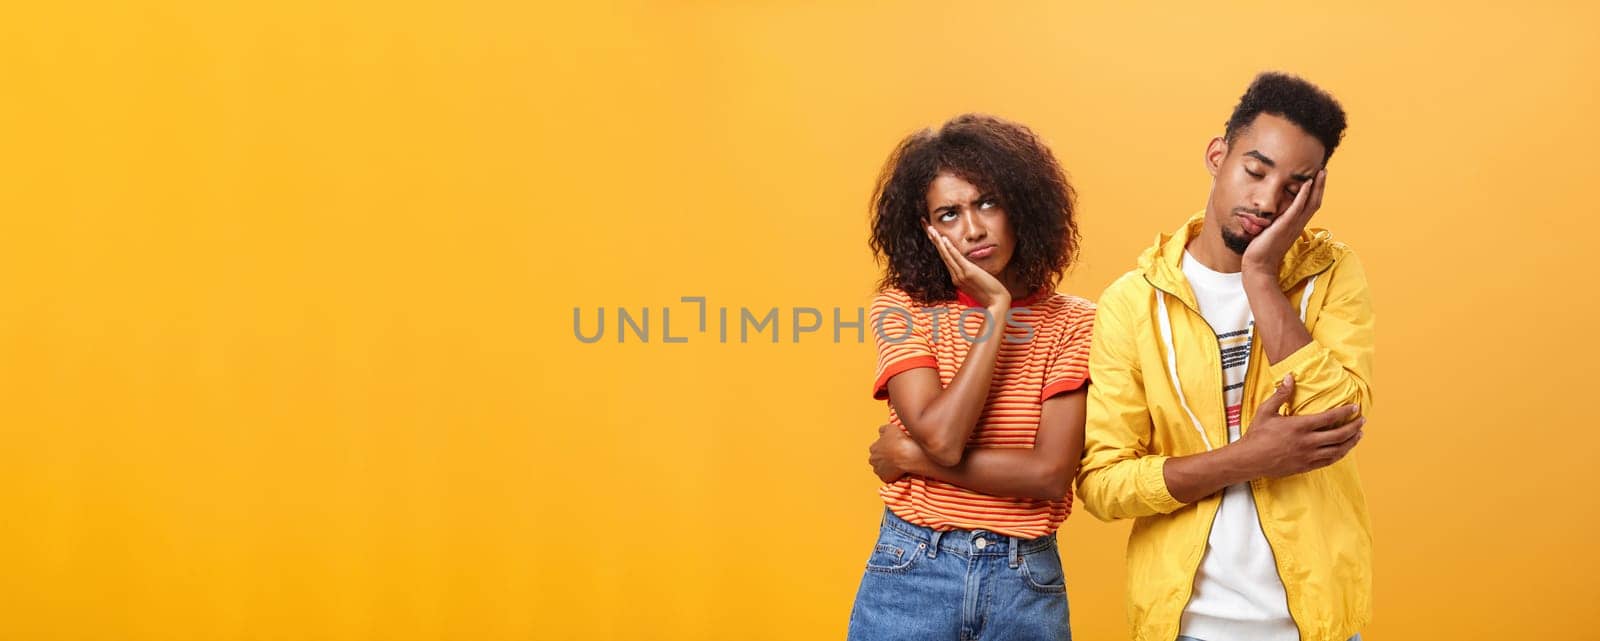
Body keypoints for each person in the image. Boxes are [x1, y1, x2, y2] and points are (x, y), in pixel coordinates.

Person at [1077, 71, 1374, 641]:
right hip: (1184, 626)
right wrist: (1247, 458)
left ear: (1315, 192)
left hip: (1317, 625)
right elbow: (1103, 484)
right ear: (1219, 156)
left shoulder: (1331, 273)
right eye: (1255, 171)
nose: (1267, 200)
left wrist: (1260, 276)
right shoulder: (1131, 303)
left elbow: (1341, 417)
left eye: (1295, 186)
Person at [847, 113, 1095, 641]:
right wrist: (997, 314)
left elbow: (1050, 474)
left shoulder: (1075, 322)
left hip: (1024, 579)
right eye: (949, 213)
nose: (974, 228)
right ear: (928, 230)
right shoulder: (902, 309)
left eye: (987, 202)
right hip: (913, 567)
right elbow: (943, 434)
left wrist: (912, 458)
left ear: (1021, 206)